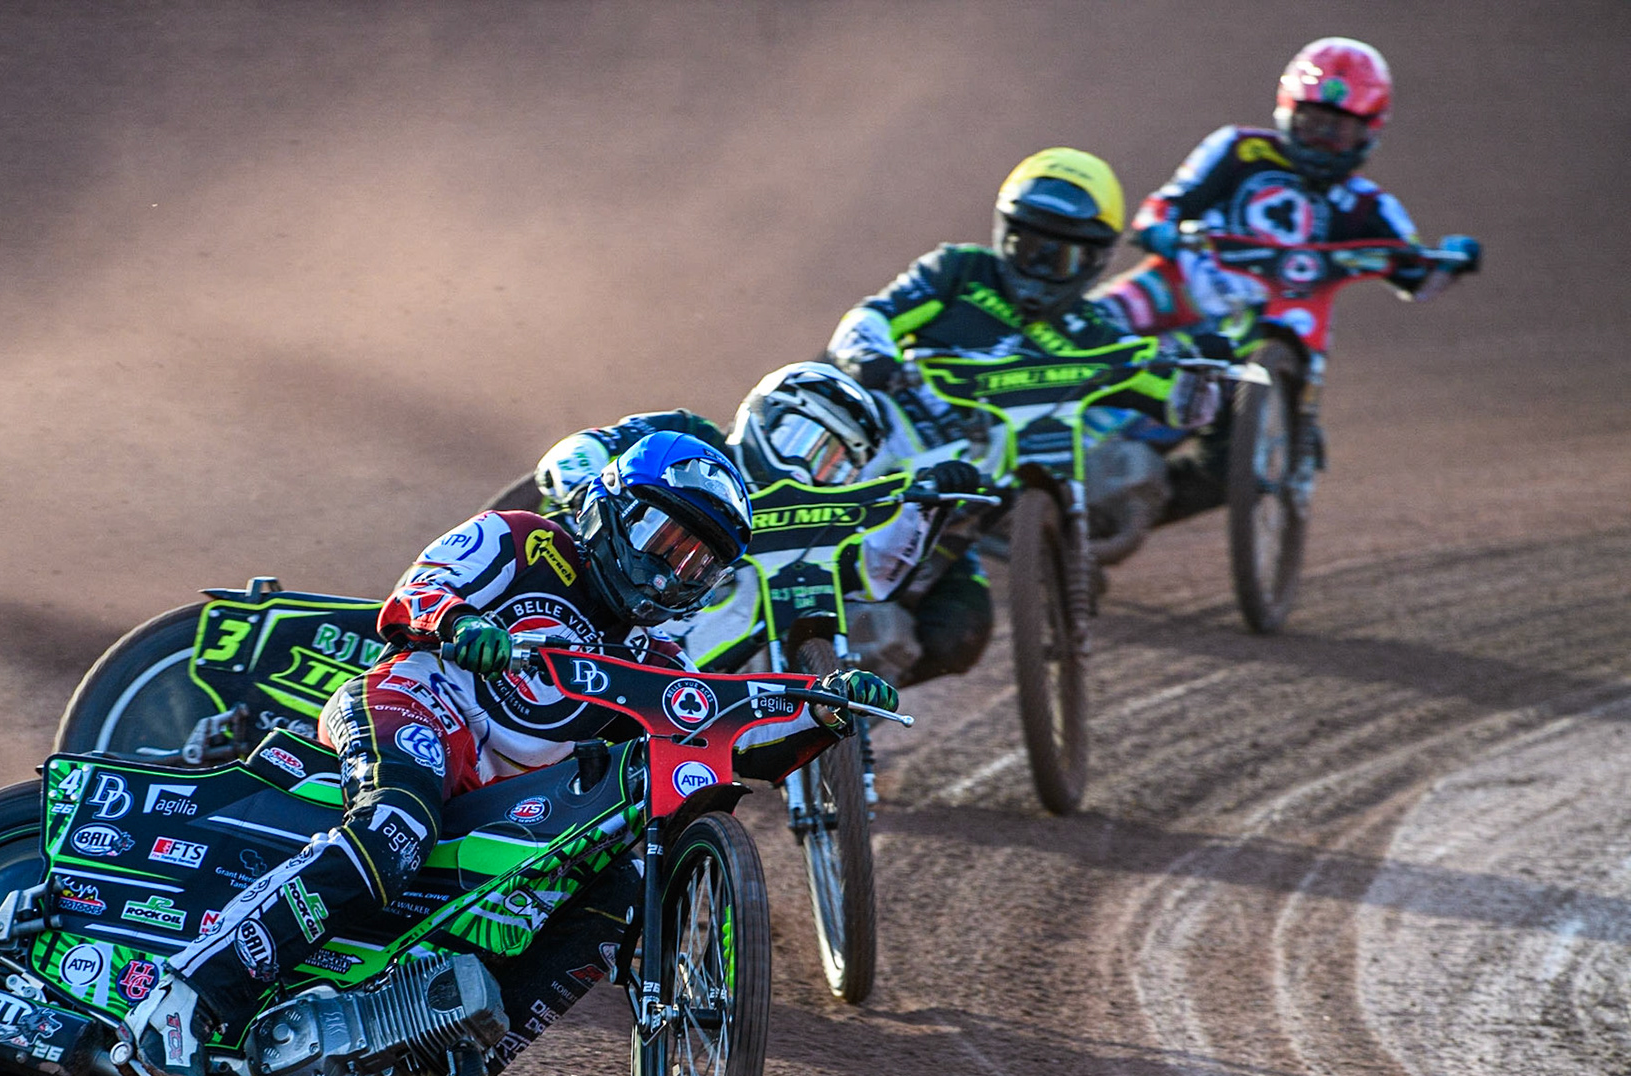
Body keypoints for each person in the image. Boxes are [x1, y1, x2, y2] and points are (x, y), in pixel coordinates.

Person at [120, 432, 898, 1076]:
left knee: (614, 893)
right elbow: (416, 591)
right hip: (415, 702)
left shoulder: (658, 654)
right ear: (614, 511)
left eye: (700, 566)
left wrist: (823, 718)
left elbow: (724, 755)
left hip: (501, 799)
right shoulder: (523, 539)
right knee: (395, 826)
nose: (672, 571)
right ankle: (185, 998)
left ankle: (443, 1066)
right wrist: (461, 625)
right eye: (666, 542)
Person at [825, 147, 1227, 566]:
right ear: (1005, 232)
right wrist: (868, 358)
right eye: (1028, 247)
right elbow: (871, 316)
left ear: (1096, 257)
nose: (1039, 269)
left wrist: (1202, 372)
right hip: (885, 451)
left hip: (967, 509)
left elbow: (1183, 407)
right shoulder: (958, 272)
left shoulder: (1095, 332)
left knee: (959, 628)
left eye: (1061, 257)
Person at [532, 365, 990, 684]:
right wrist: (582, 480)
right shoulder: (691, 441)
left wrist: (932, 506)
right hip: (602, 583)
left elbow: (876, 574)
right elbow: (573, 454)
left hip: (682, 632)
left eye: (832, 466)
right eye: (805, 442)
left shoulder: (821, 524)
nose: (807, 472)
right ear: (765, 416)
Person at [1097, 37, 1481, 336]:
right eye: (1312, 122)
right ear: (1289, 110)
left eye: (1339, 131)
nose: (1321, 139)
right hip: (1176, 286)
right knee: (1087, 328)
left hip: (1269, 326)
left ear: (1368, 131)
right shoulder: (1238, 148)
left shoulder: (1369, 206)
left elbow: (1416, 275)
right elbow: (1167, 203)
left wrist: (1451, 259)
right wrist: (1157, 229)